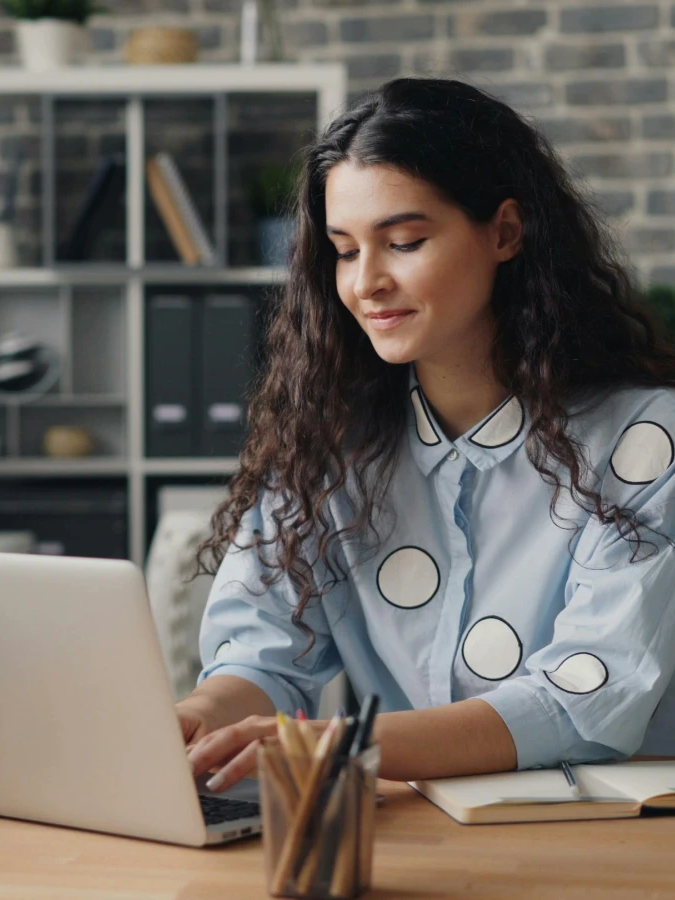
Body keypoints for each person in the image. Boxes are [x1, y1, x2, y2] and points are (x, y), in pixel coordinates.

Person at [179, 77, 675, 794]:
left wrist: (336, 744)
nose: (366, 282)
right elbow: (260, 656)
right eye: (344, 251)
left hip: (610, 840)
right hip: (418, 838)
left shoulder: (649, 441)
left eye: (404, 242)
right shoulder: (330, 442)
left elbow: (583, 699)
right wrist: (199, 719)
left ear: (505, 232)